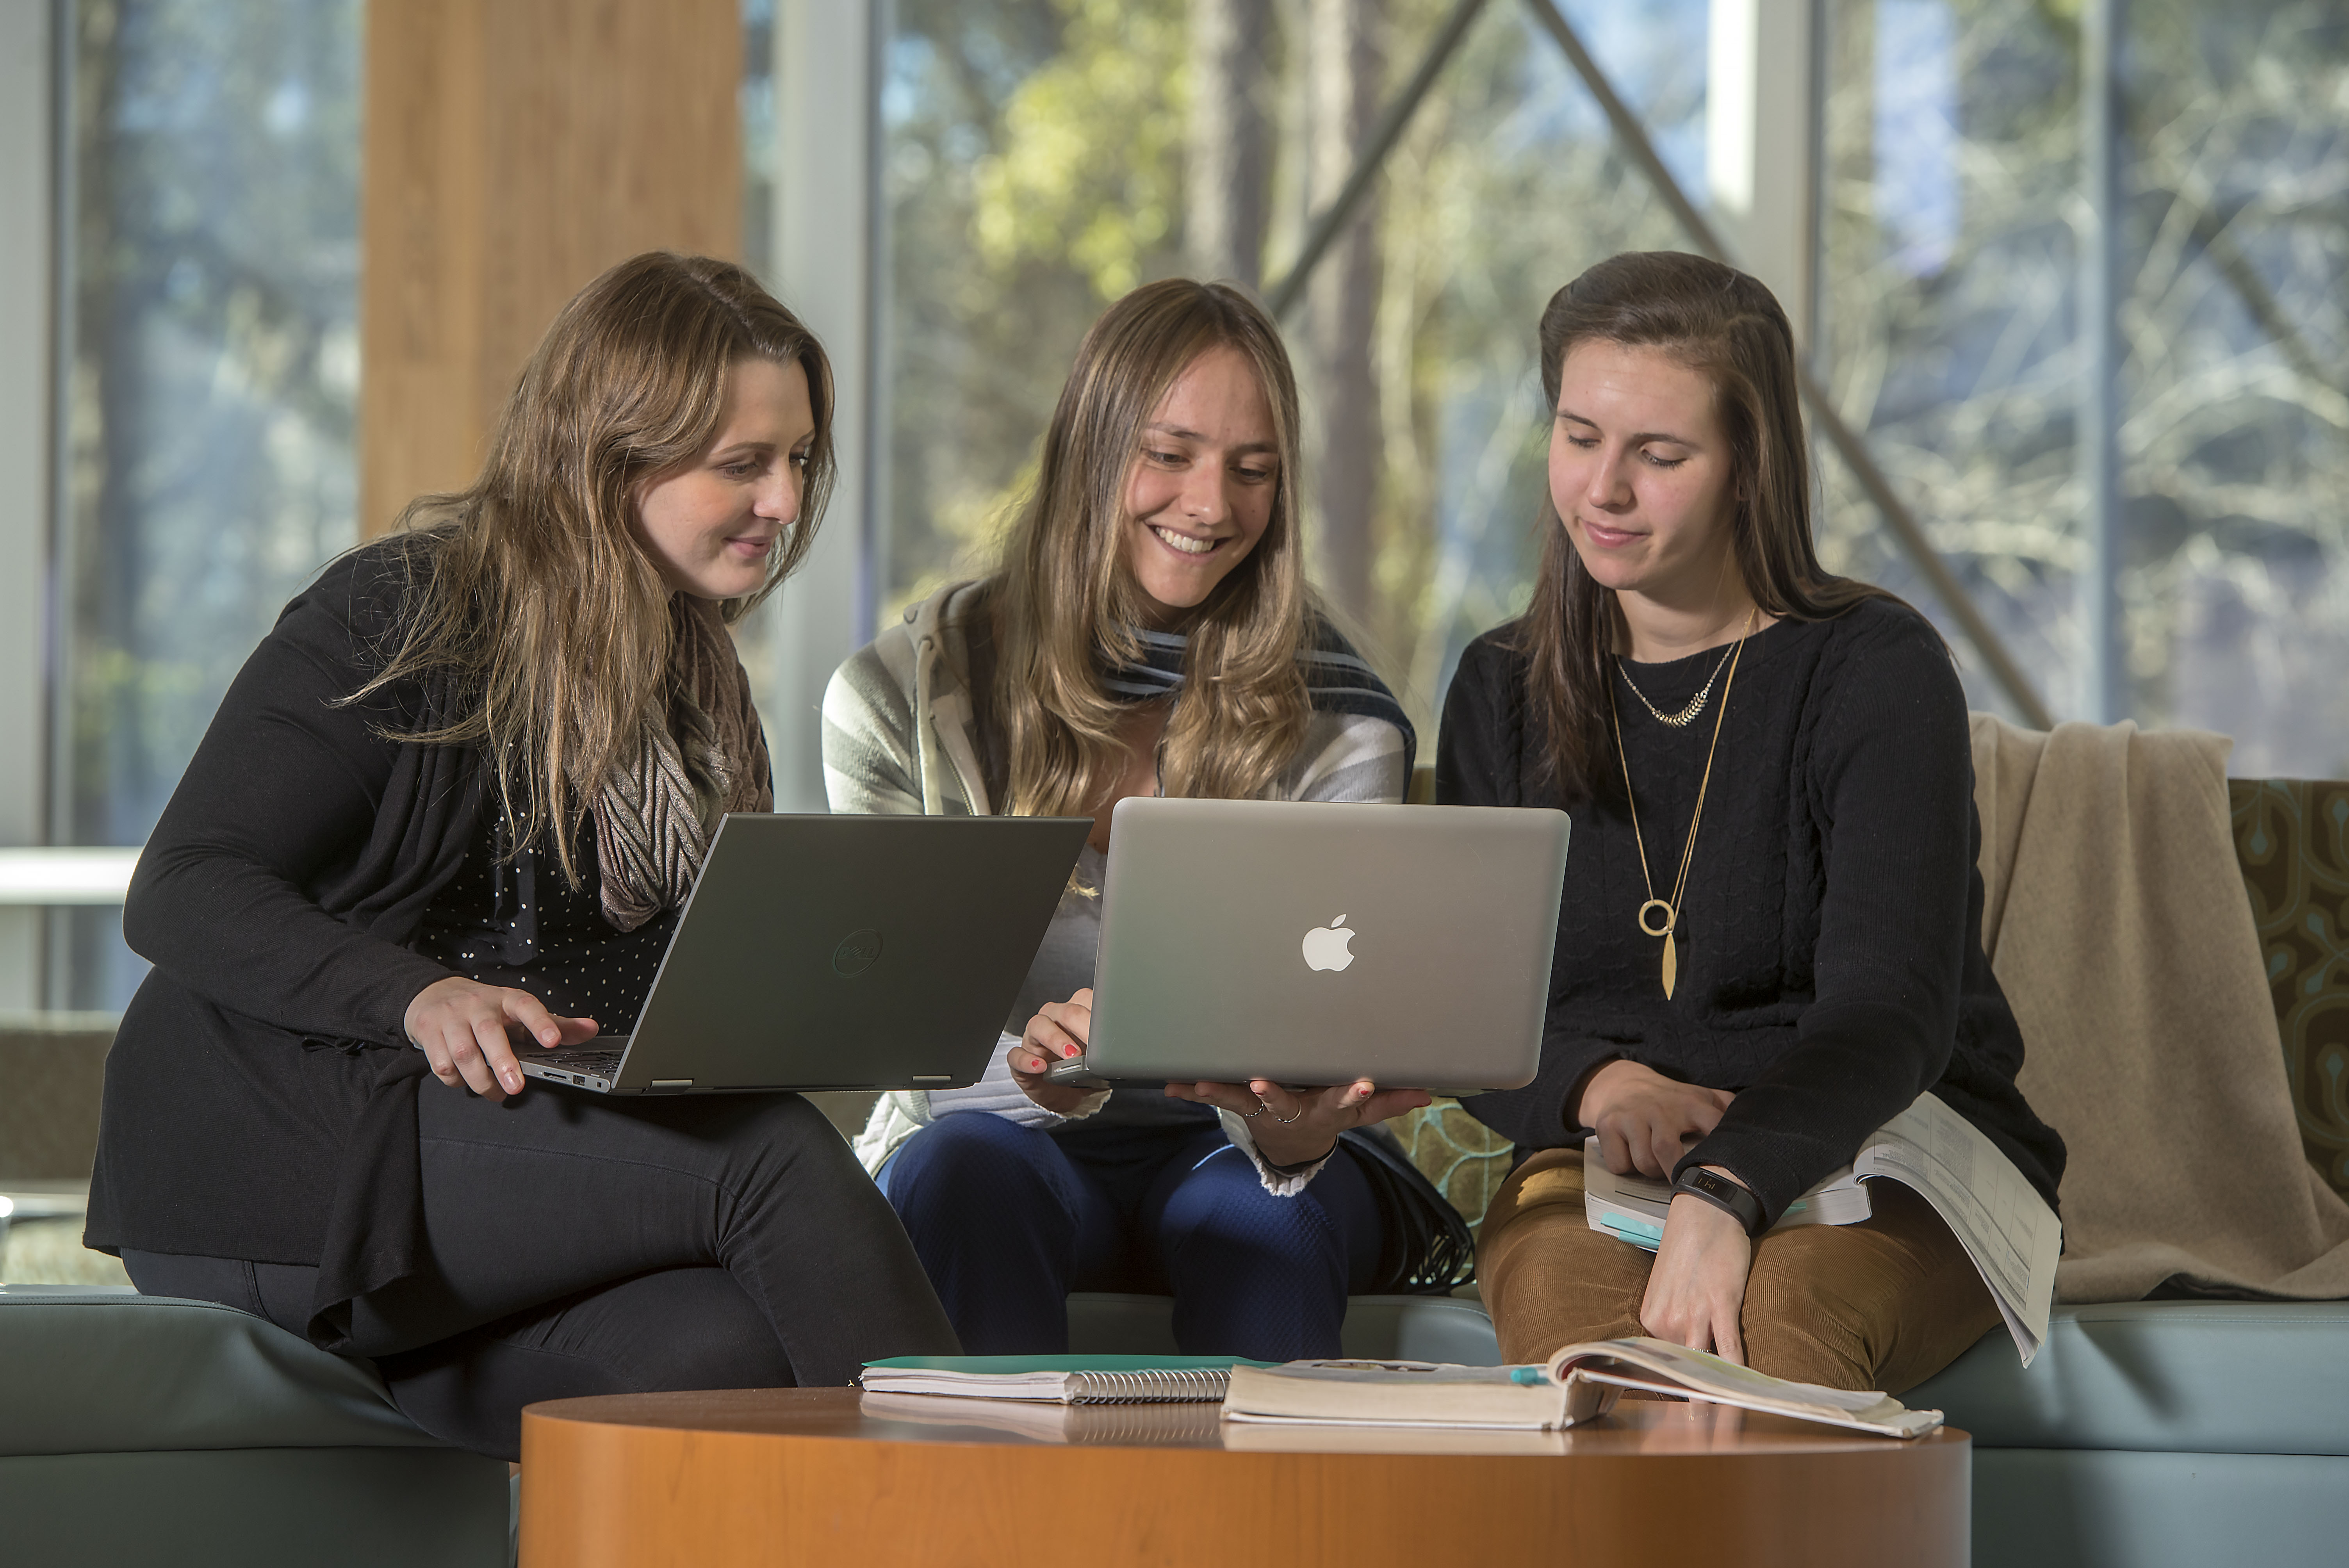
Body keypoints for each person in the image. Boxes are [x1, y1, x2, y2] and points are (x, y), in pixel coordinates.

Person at [84, 252, 958, 1459]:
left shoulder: (690, 681)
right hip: (287, 1162)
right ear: (611, 458)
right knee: (768, 1157)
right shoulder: (401, 614)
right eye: (743, 464)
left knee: (721, 1360)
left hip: (493, 1173)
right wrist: (415, 994)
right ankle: (1004, 1519)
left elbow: (633, 981)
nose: (786, 503)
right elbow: (183, 887)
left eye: (799, 459)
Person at [1435, 250, 2067, 1392]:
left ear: (1746, 467)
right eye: (1579, 437)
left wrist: (1729, 1188)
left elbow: (1891, 1012)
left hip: (1888, 1143)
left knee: (1772, 1326)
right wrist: (1596, 1087)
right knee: (1592, 1365)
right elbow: (1468, 1010)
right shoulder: (1500, 685)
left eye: (1659, 455)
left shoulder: (1876, 668)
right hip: (1601, 1165)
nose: (1603, 490)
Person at [822, 278, 1465, 1361]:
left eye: (1253, 470)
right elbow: (903, 1026)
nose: (1212, 505)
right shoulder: (905, 698)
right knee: (962, 1172)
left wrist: (1298, 1118)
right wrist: (1034, 1073)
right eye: (1169, 455)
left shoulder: (1341, 721)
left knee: (1257, 1217)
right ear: (1089, 452)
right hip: (989, 1137)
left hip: (1251, 1156)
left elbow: (1326, 1037)